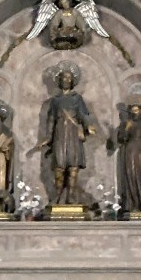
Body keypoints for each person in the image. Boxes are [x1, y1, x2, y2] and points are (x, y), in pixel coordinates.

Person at [42, 70, 95, 204]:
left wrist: (88, 126)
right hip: (60, 134)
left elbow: (83, 114)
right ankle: (58, 195)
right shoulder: (55, 100)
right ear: (59, 81)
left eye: (69, 78)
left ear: (72, 81)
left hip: (73, 134)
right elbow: (51, 119)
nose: (66, 80)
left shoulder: (77, 98)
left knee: (73, 166)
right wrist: (48, 137)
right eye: (64, 78)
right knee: (59, 167)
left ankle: (71, 196)